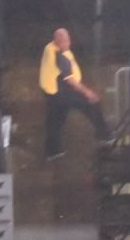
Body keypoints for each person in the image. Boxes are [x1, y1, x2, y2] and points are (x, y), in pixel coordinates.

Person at [39, 27, 107, 160]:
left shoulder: (50, 47)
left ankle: (52, 151)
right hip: (62, 91)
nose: (68, 43)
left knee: (55, 121)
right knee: (92, 104)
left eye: (68, 39)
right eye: (64, 41)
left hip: (52, 92)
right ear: (57, 41)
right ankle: (104, 134)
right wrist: (88, 93)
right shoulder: (59, 56)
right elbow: (70, 80)